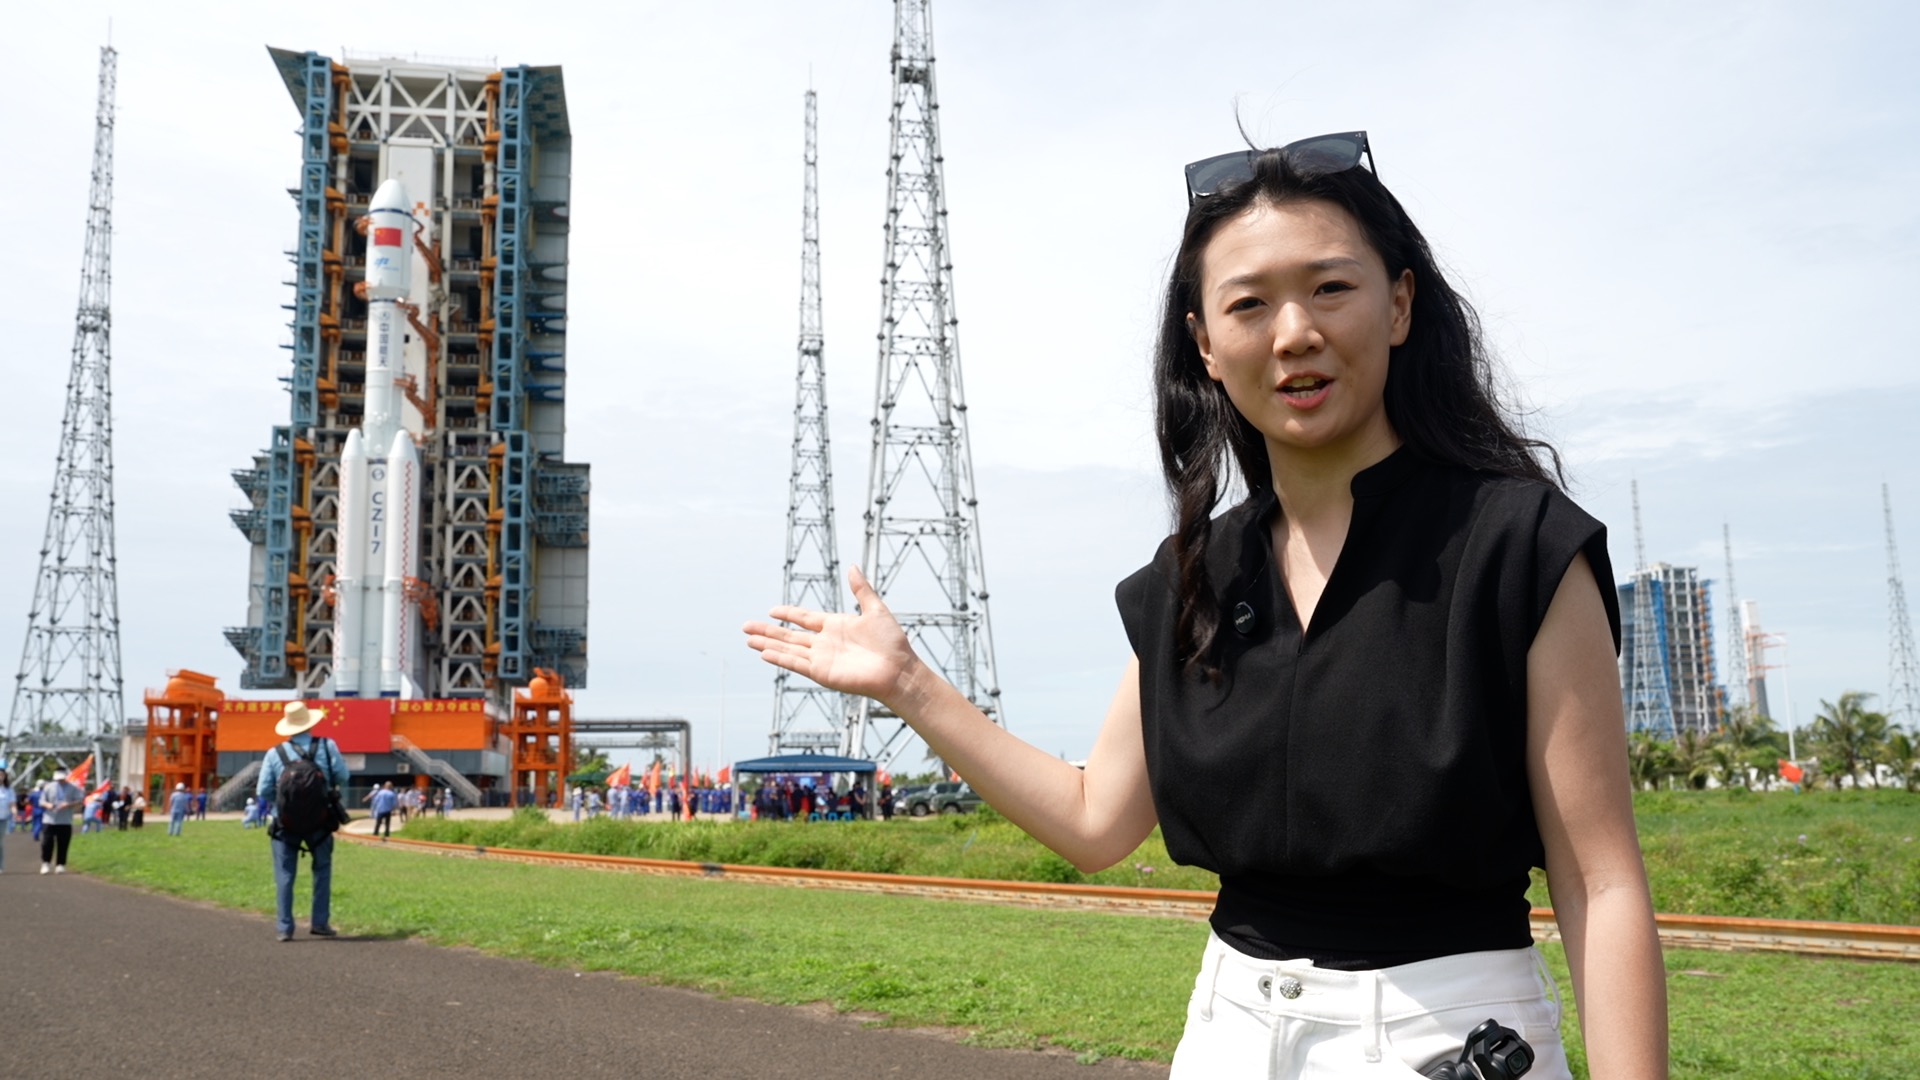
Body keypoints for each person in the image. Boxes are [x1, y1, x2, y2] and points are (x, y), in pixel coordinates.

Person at [746, 132, 1668, 1078]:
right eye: (1249, 304)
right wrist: (908, 683)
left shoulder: (1520, 546)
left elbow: (1599, 883)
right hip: (1230, 1035)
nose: (1294, 331)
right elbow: (1096, 818)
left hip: (1450, 1036)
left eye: (1331, 288)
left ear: (1399, 304)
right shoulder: (1196, 572)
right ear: (1206, 346)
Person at [256, 700, 350, 942]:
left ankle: (284, 928)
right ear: (310, 722)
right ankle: (320, 923)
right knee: (322, 870)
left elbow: (263, 790)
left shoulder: (274, 753)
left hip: (284, 824)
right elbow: (343, 775)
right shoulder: (327, 746)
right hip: (321, 821)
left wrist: (282, 805)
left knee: (285, 875)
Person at [38, 769, 84, 874]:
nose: (60, 781)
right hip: (49, 820)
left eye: (62, 779)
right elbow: (41, 801)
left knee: (63, 843)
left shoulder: (73, 788)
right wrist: (48, 805)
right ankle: (46, 863)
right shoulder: (49, 787)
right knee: (47, 843)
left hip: (65, 820)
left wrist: (68, 804)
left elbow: (80, 800)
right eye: (58, 779)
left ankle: (60, 864)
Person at [0, 769, 14, 873]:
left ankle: (0, 865)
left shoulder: (8, 790)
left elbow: (12, 804)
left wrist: (15, 812)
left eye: (2, 775)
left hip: (2, 819)